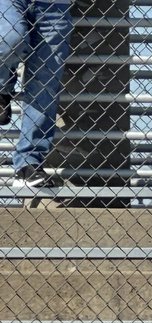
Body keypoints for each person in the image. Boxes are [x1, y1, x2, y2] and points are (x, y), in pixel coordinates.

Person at [0, 0, 72, 189]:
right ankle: (1, 89)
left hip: (56, 4)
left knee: (45, 82)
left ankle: (28, 163)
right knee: (10, 39)